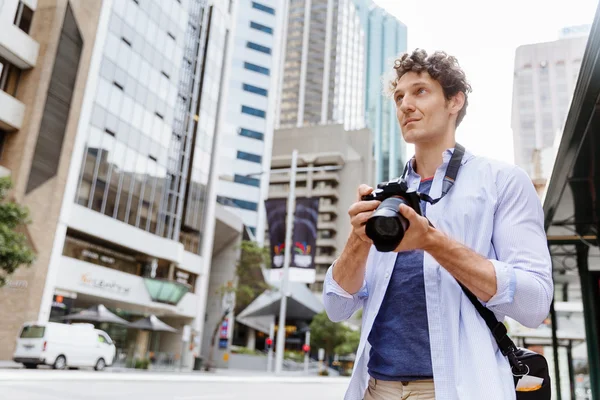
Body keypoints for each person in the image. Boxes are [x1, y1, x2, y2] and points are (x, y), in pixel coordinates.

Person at [323, 49, 553, 400]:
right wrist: (358, 240)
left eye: (420, 91)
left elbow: (534, 304)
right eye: (399, 96)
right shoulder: (386, 197)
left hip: (458, 389)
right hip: (375, 388)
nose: (405, 105)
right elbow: (337, 308)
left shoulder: (502, 180)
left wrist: (432, 241)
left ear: (454, 101)